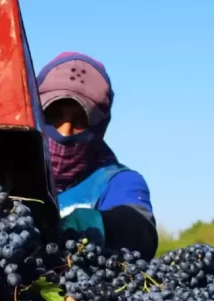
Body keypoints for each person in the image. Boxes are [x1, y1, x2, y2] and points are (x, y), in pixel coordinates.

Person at [37, 52, 158, 259]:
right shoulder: (8, 171)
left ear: (100, 127)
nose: (65, 133)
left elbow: (141, 231)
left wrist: (94, 225)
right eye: (54, 116)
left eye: (80, 121)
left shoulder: (118, 181)